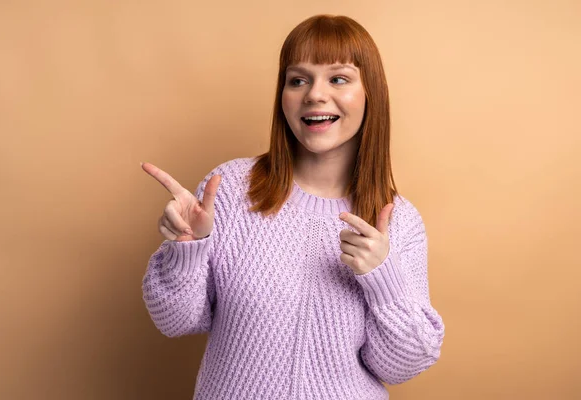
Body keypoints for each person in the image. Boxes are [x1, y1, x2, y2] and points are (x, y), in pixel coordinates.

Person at [140, 14, 445, 400]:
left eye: (338, 78)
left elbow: (401, 367)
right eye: (298, 79)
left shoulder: (398, 222)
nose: (314, 94)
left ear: (371, 94)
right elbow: (175, 321)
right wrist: (185, 249)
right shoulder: (231, 189)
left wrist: (383, 280)